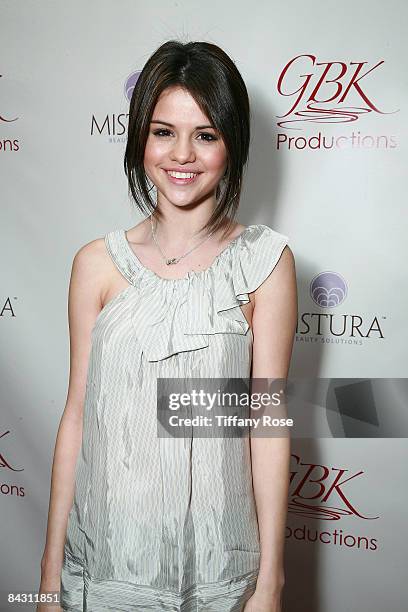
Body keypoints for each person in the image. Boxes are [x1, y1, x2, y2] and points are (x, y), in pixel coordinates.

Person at [38, 40, 297, 612]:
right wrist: (48, 578)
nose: (182, 154)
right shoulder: (96, 264)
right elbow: (77, 417)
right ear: (139, 139)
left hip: (220, 572)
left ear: (233, 144)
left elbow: (268, 426)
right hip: (103, 566)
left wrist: (271, 582)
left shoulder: (266, 262)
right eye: (162, 132)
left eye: (206, 134)